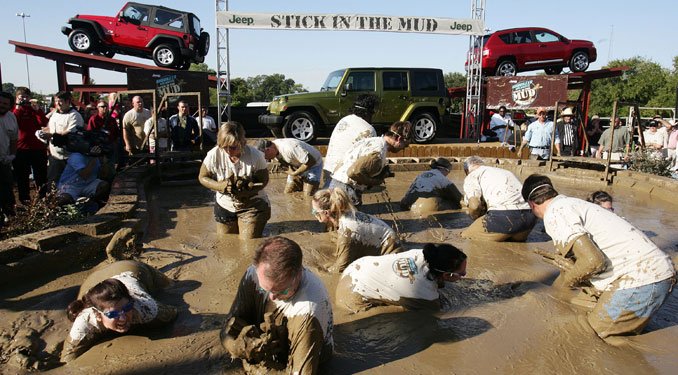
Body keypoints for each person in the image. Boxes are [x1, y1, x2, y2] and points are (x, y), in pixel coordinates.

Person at [521, 174, 675, 340]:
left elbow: (593, 262)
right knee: (578, 304)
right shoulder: (571, 203)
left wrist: (568, 281)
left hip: (642, 281)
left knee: (587, 335)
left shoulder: (554, 214)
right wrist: (554, 292)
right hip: (655, 274)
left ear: (532, 204)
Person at [220, 236, 333, 374]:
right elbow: (227, 328)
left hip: (310, 349)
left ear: (298, 274)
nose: (272, 296)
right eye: (264, 289)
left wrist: (258, 370)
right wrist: (237, 348)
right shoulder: (253, 274)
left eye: (282, 291)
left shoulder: (309, 309)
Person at [61, 260, 178, 363]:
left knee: (171, 285)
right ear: (97, 315)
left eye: (127, 308)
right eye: (113, 314)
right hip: (92, 281)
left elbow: (174, 311)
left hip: (130, 269)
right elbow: (67, 360)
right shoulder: (84, 323)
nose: (123, 318)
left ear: (132, 301)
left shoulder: (146, 309)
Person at [336, 243, 467, 312]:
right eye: (461, 274)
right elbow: (436, 310)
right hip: (350, 294)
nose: (465, 275)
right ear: (446, 275)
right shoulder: (426, 293)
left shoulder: (422, 253)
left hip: (357, 266)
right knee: (402, 313)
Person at [198, 121, 270, 239]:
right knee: (226, 243)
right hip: (224, 204)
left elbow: (264, 180)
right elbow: (202, 177)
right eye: (223, 146)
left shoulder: (256, 156)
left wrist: (248, 192)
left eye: (232, 147)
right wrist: (219, 186)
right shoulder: (214, 154)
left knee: (248, 243)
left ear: (242, 142)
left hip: (253, 204)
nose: (227, 151)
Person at [311, 188, 402, 272]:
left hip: (391, 258)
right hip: (387, 242)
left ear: (326, 212)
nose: (313, 213)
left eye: (314, 211)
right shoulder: (348, 214)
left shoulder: (347, 231)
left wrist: (325, 270)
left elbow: (341, 268)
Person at [330, 121, 412, 205]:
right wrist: (376, 181)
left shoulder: (374, 141)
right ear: (399, 139)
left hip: (337, 183)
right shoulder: (378, 152)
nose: (403, 149)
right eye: (405, 145)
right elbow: (353, 172)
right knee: (346, 217)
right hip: (345, 189)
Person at [460, 156, 536, 242]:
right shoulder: (505, 172)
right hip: (529, 219)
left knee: (465, 236)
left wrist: (475, 219)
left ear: (466, 171)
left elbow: (474, 206)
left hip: (504, 217)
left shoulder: (472, 176)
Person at [323, 94, 379, 186]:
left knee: (328, 197)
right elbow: (368, 162)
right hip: (344, 177)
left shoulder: (344, 120)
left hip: (328, 169)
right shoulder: (369, 129)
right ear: (369, 112)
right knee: (347, 199)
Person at [12, 87, 48, 204]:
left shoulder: (34, 109)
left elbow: (43, 123)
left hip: (38, 148)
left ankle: (43, 199)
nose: (24, 99)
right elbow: (14, 124)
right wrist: (18, 107)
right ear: (17, 98)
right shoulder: (14, 111)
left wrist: (38, 110)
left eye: (26, 96)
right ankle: (25, 200)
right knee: (22, 177)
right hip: (21, 148)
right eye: (21, 96)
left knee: (41, 176)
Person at [42, 91, 84, 188]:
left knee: (69, 184)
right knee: (52, 184)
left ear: (68, 101)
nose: (58, 104)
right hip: (55, 157)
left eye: (60, 101)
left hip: (69, 158)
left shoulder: (74, 115)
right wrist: (42, 132)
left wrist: (51, 135)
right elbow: (49, 128)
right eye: (56, 101)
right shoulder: (54, 115)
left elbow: (69, 133)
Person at [0, 92, 19, 220]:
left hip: (4, 160)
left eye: (5, 104)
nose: (2, 105)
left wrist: (12, 155)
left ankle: (9, 215)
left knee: (7, 188)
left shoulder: (11, 117)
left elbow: (13, 139)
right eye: (0, 102)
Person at [87, 100, 120, 166]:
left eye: (106, 106)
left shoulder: (112, 119)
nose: (105, 108)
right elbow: (89, 133)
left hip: (110, 146)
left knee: (110, 166)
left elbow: (116, 133)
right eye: (102, 106)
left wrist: (115, 143)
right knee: (100, 167)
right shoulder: (94, 119)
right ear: (98, 108)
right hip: (99, 147)